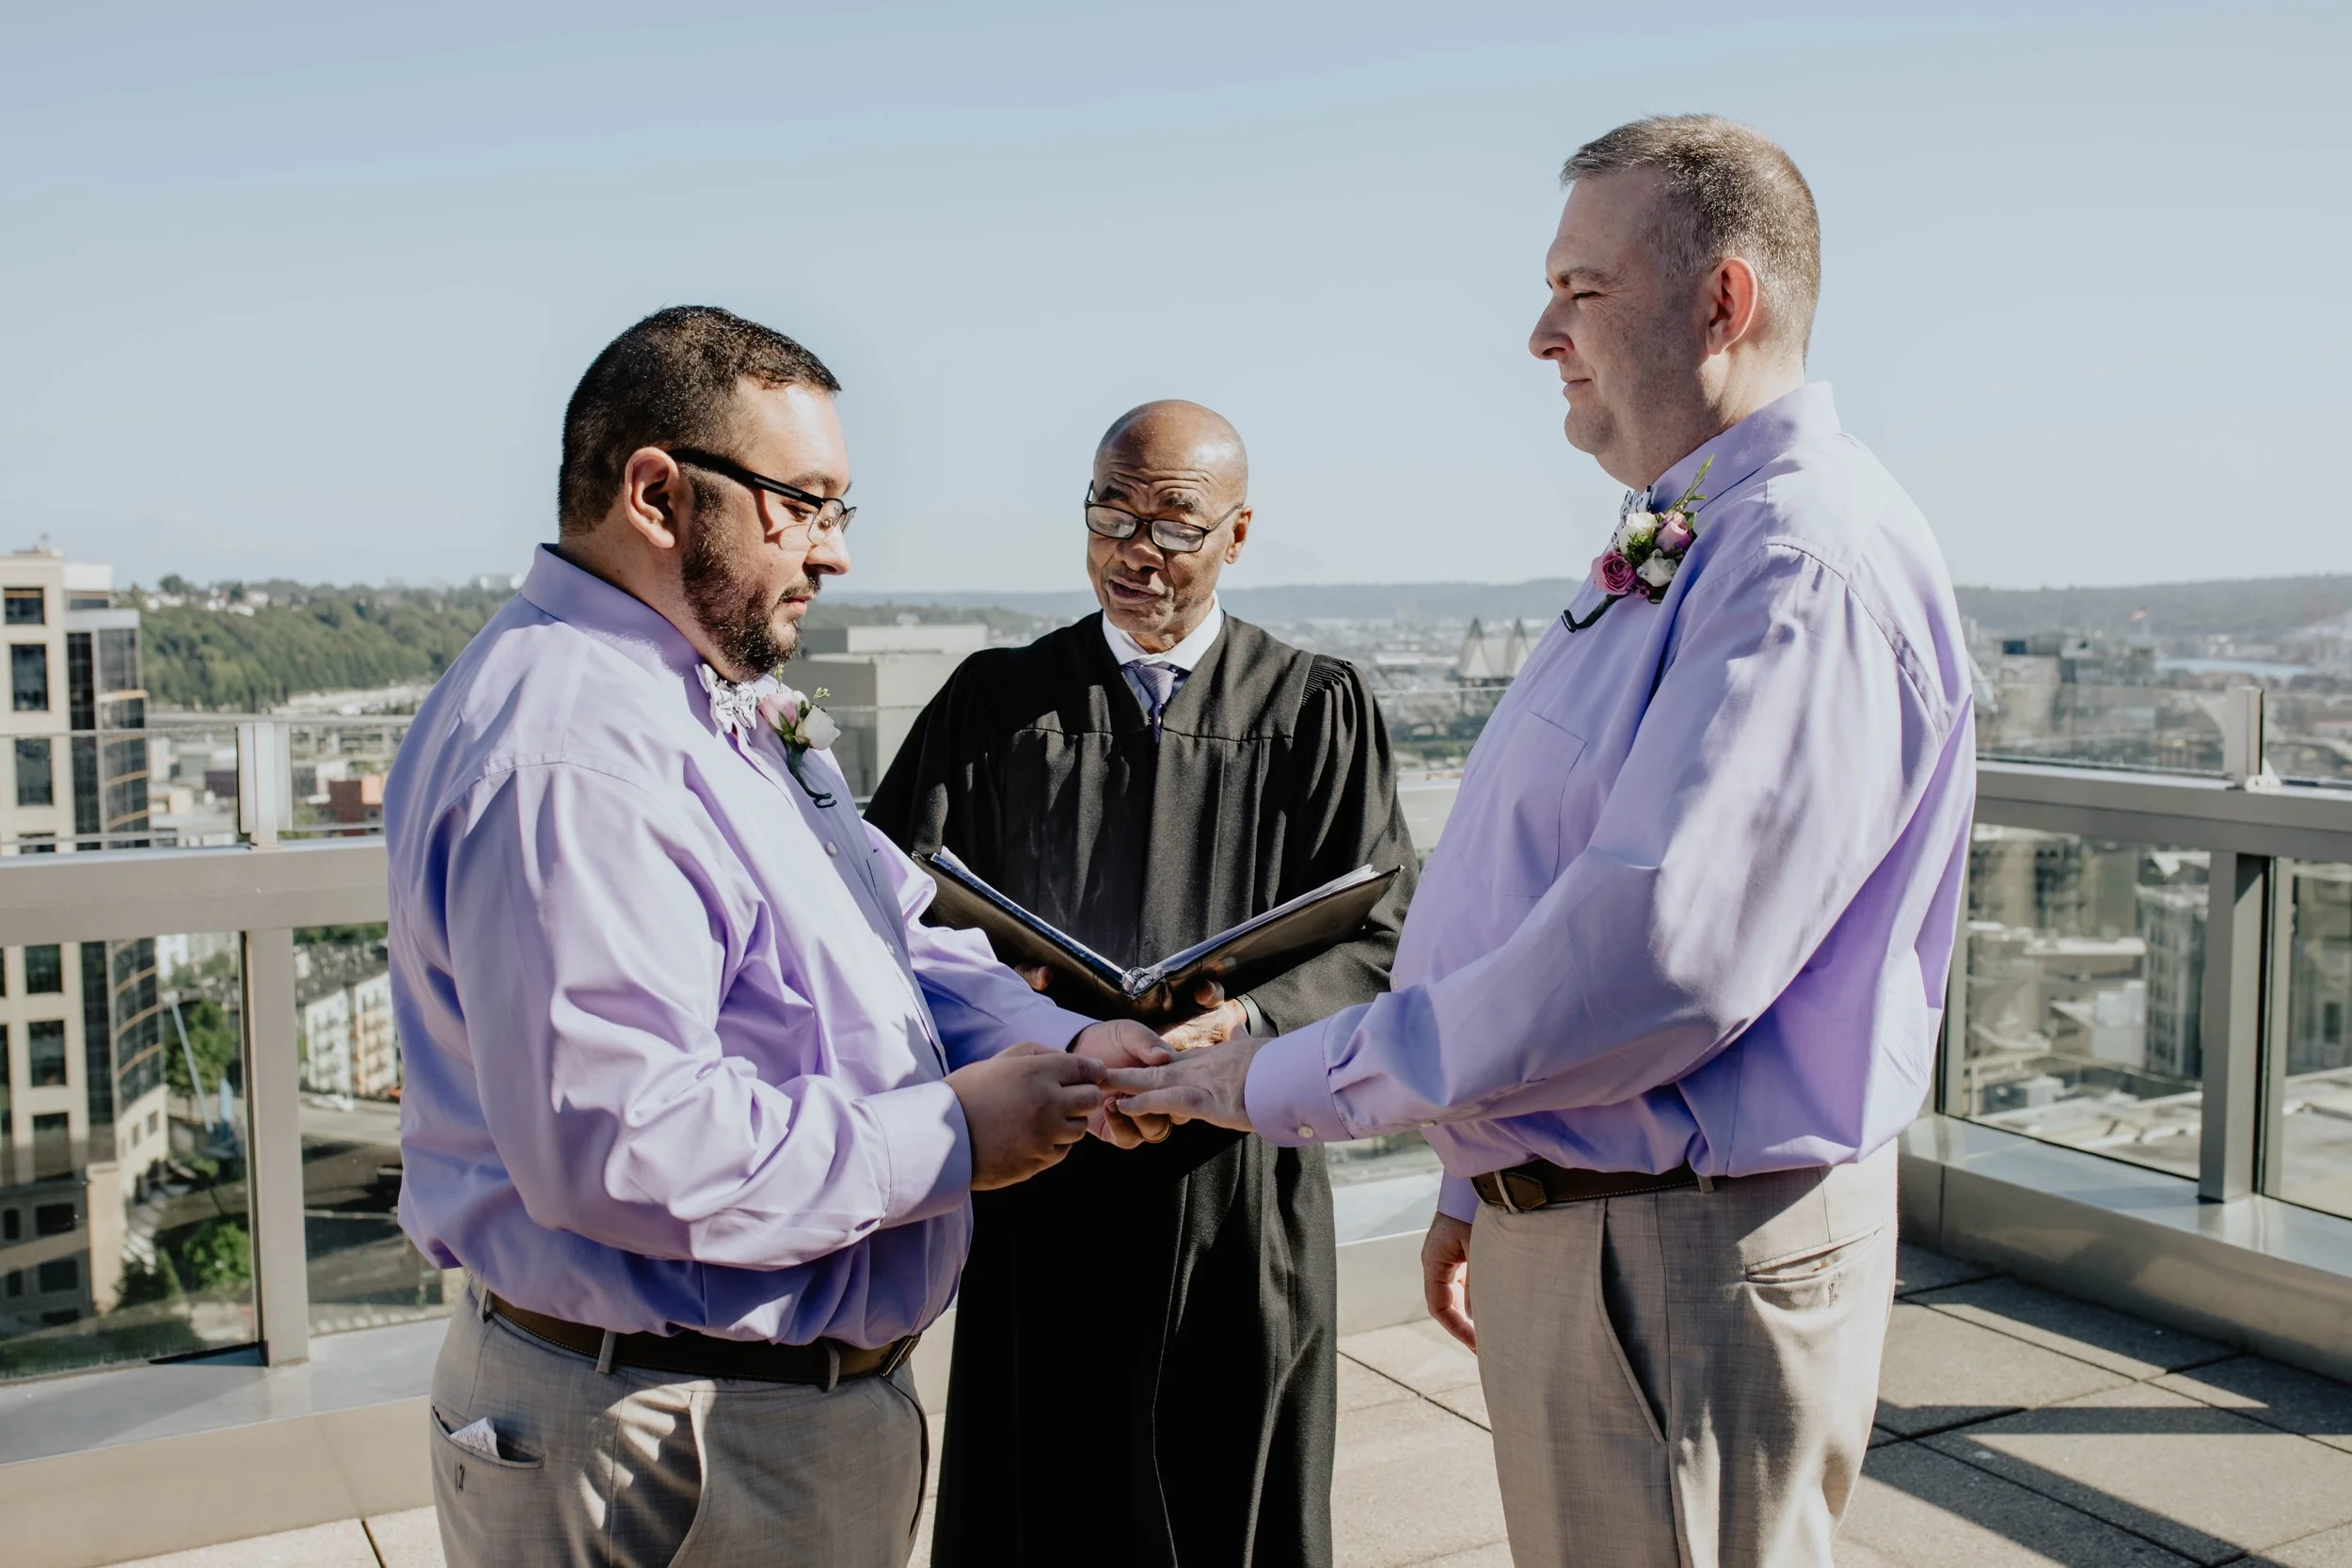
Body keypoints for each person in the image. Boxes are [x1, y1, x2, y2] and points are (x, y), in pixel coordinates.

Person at [1107, 117, 1977, 1568]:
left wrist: (1263, 1079)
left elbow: (1654, 958)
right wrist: (1474, 1173)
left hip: (1678, 1255)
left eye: (1581, 289)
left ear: (1724, 301)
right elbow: (1548, 875)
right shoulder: (1696, 530)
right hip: (1592, 1218)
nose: (1537, 334)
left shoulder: (1798, 561)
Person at [387, 306, 1169, 1568]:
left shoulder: (703, 697)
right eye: (802, 505)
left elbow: (893, 939)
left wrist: (1075, 1043)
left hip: (738, 1421)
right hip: (665, 1440)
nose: (835, 552)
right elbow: (622, 1139)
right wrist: (958, 1134)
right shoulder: (575, 753)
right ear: (657, 492)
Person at [866, 400, 1418, 1568]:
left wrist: (1248, 1018)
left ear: (1238, 533)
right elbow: (879, 909)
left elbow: (1383, 927)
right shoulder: (993, 702)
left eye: (1173, 520)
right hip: (1048, 1168)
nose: (1137, 548)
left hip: (1237, 1173)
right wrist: (1019, 1002)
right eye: (1110, 513)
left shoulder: (1314, 707)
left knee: (1233, 1485)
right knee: (1046, 1490)